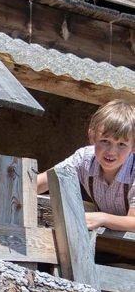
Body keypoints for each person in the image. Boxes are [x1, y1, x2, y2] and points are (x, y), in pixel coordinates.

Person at [37, 99, 135, 232]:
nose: (112, 152)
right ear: (92, 136)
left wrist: (102, 218)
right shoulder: (84, 159)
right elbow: (43, 182)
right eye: (105, 141)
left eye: (122, 144)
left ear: (133, 147)